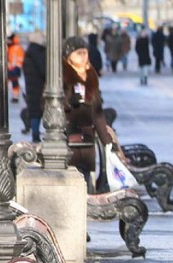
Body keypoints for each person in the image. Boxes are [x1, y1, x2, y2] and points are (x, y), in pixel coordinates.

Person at [62, 35, 112, 194]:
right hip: (69, 138)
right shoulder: (62, 76)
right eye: (79, 53)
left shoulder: (91, 76)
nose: (83, 57)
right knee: (74, 179)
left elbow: (98, 113)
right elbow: (47, 104)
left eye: (85, 53)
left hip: (88, 139)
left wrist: (107, 141)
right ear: (69, 56)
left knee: (86, 179)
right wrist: (69, 101)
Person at [23, 32, 47, 143]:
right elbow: (43, 70)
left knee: (34, 111)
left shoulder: (29, 52)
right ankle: (36, 134)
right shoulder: (39, 52)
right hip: (40, 86)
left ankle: (35, 133)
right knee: (39, 110)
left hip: (31, 86)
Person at [7, 34, 24, 103]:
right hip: (12, 67)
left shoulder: (15, 48)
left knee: (14, 82)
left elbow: (18, 59)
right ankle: (15, 96)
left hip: (14, 68)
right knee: (14, 82)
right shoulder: (11, 47)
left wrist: (14, 67)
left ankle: (15, 96)